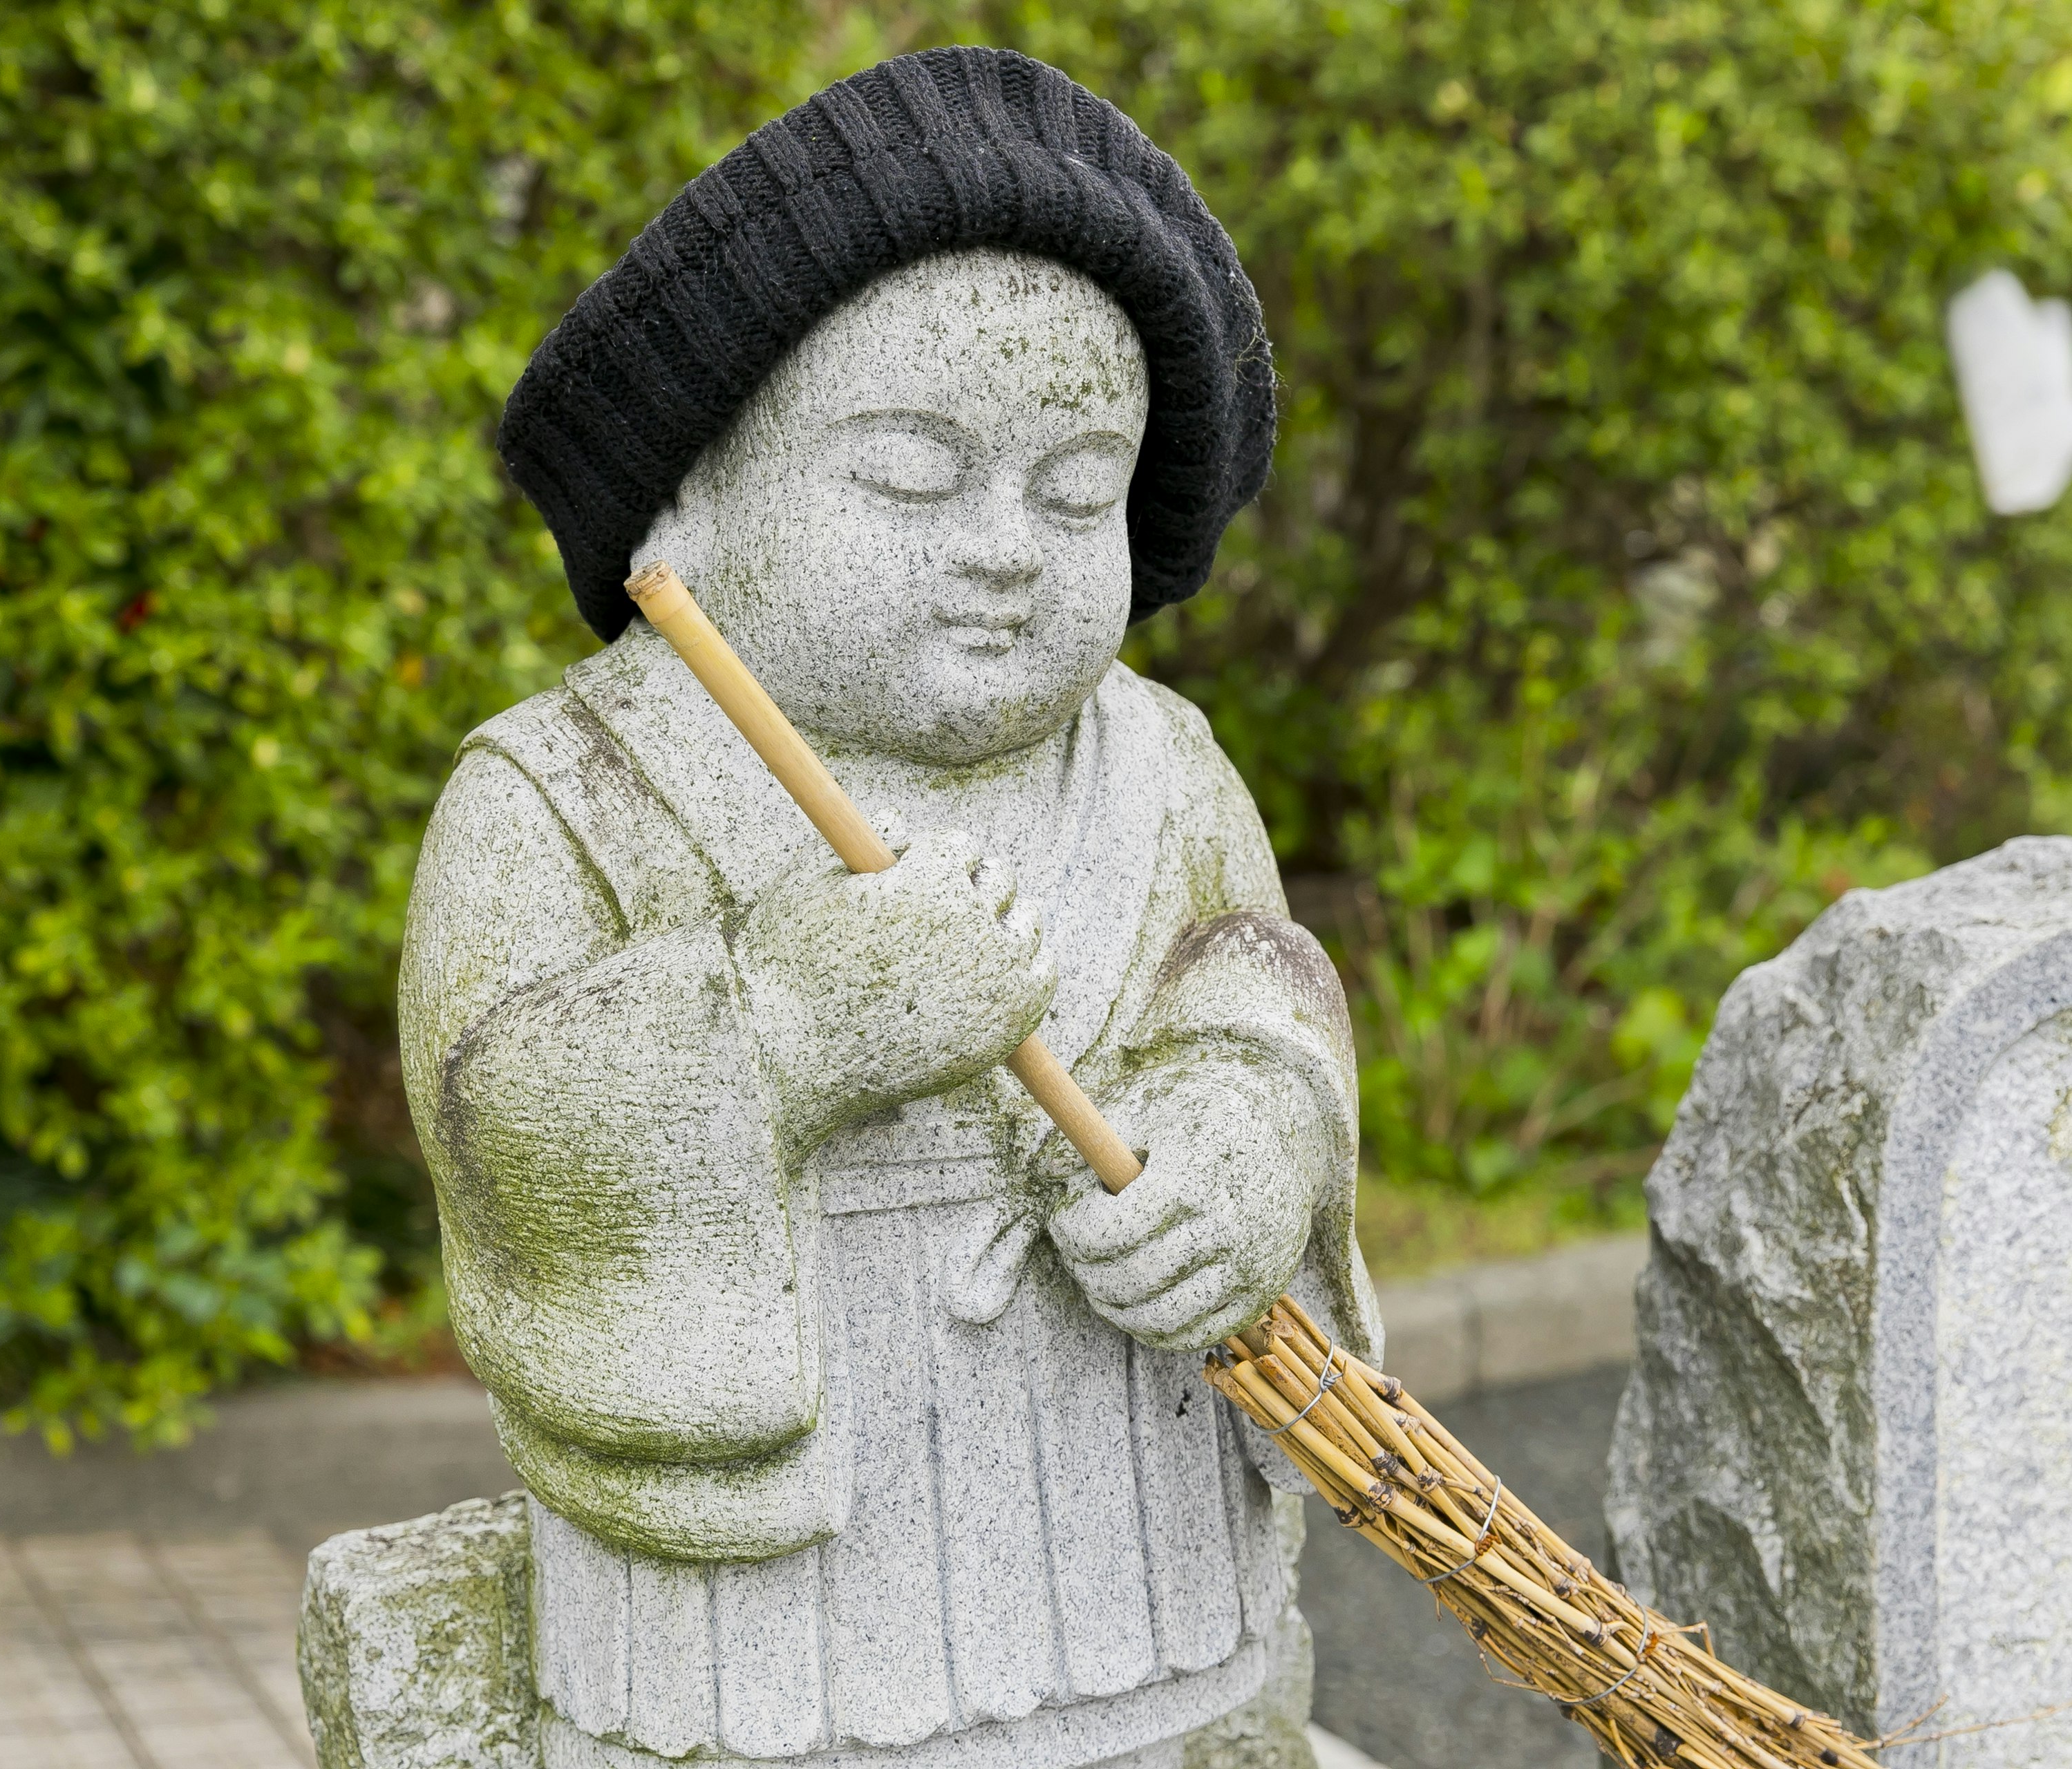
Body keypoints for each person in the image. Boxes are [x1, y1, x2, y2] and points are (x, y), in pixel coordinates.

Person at [399, 46, 1375, 1769]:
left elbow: (1255, 976)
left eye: (1075, 492)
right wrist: (775, 1021)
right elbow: (493, 1109)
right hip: (763, 1637)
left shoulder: (1162, 759)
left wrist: (1250, 1130)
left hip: (1141, 1544)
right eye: (914, 474)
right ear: (690, 497)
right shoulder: (565, 788)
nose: (1007, 544)